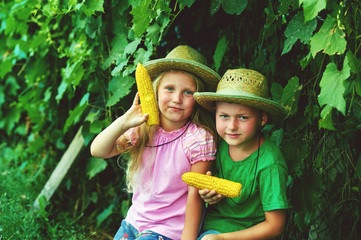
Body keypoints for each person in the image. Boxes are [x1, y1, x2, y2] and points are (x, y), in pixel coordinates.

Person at [90, 45, 221, 240]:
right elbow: (98, 150)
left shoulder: (198, 139)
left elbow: (195, 196)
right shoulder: (142, 129)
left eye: (187, 92)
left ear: (197, 99)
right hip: (134, 221)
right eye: (170, 89)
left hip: (168, 230)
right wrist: (124, 121)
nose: (177, 99)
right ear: (156, 91)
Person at [193, 68, 289, 240]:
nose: (232, 126)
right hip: (212, 228)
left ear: (262, 119)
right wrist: (208, 195)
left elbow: (275, 225)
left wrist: (223, 239)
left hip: (249, 234)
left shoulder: (270, 163)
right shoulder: (216, 144)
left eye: (243, 117)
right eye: (224, 116)